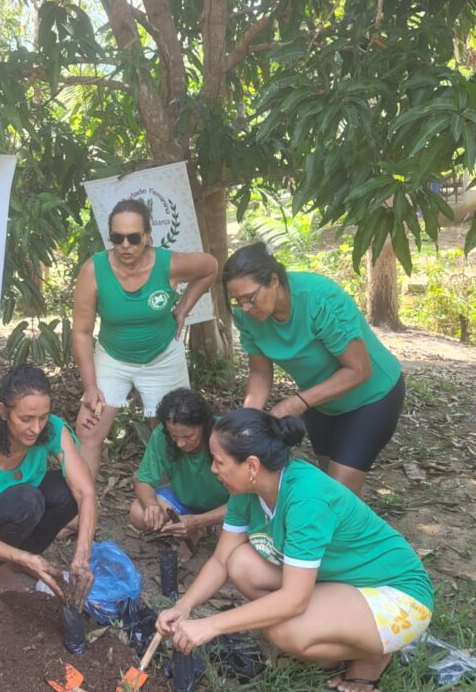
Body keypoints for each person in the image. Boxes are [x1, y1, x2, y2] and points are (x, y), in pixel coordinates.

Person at [157, 409, 433, 692]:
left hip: (396, 594)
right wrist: (184, 606)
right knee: (241, 562)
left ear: (251, 465)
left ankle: (373, 655)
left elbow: (293, 599)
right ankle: (331, 640)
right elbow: (221, 560)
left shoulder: (306, 499)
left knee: (283, 631)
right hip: (343, 582)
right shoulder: (245, 491)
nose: (213, 469)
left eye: (219, 462)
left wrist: (210, 625)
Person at [222, 242, 404, 495]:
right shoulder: (247, 316)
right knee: (328, 475)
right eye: (238, 301)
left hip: (372, 396)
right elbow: (260, 372)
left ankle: (353, 532)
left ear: (274, 280)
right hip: (321, 400)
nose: (245, 308)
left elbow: (359, 370)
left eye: (250, 298)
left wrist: (297, 402)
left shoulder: (319, 298)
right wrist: (247, 421)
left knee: (337, 492)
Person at [73, 198, 218, 481]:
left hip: (163, 355)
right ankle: (82, 507)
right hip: (113, 357)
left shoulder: (169, 264)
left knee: (173, 431)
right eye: (117, 238)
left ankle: (173, 501)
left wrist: (183, 308)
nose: (125, 245)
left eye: (133, 238)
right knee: (89, 429)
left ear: (148, 236)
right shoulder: (94, 271)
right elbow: (81, 332)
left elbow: (210, 267)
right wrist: (90, 386)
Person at [0, 365, 96, 608]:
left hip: (21, 503)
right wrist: (28, 559)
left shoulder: (52, 429)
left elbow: (85, 491)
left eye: (43, 417)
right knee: (28, 500)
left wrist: (82, 556)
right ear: (3, 412)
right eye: (26, 419)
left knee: (65, 492)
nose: (36, 428)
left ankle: (20, 558)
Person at [130, 388, 229, 543]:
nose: (180, 443)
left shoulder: (224, 436)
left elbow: (245, 500)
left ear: (204, 425)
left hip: (225, 505)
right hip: (185, 499)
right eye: (174, 436)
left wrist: (198, 521)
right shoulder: (161, 435)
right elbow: (144, 480)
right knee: (139, 513)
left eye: (188, 436)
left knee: (227, 537)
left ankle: (205, 526)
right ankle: (197, 528)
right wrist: (152, 505)